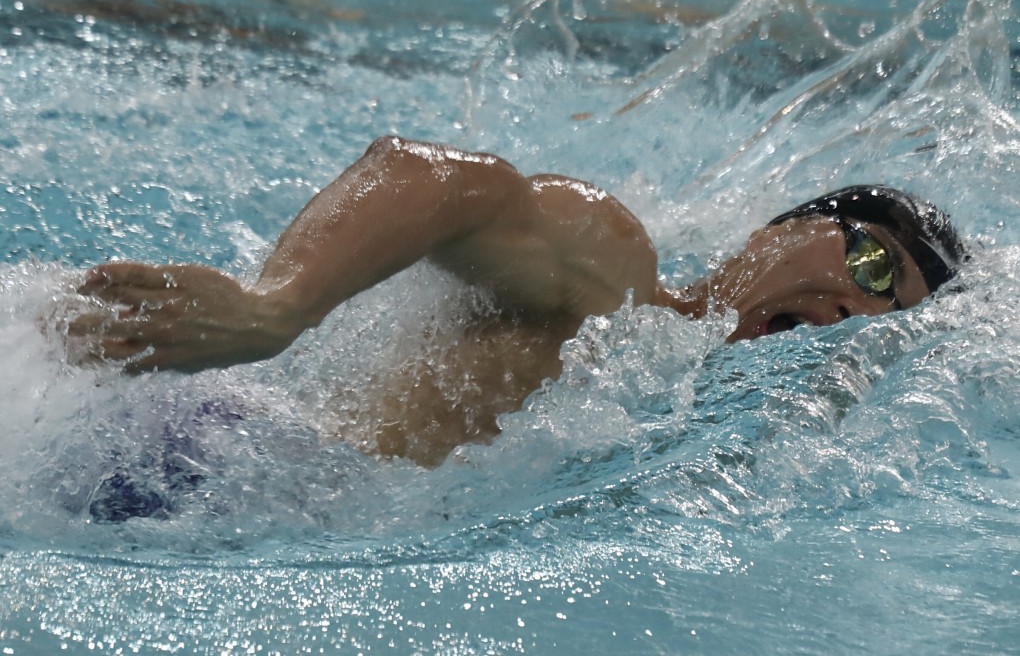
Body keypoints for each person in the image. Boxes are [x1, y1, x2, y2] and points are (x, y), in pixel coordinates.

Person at [69, 137, 966, 466]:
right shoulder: (613, 282)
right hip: (186, 452)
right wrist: (276, 308)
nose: (860, 307)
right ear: (782, 229)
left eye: (894, 315)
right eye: (875, 266)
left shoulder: (710, 453)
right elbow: (435, 178)